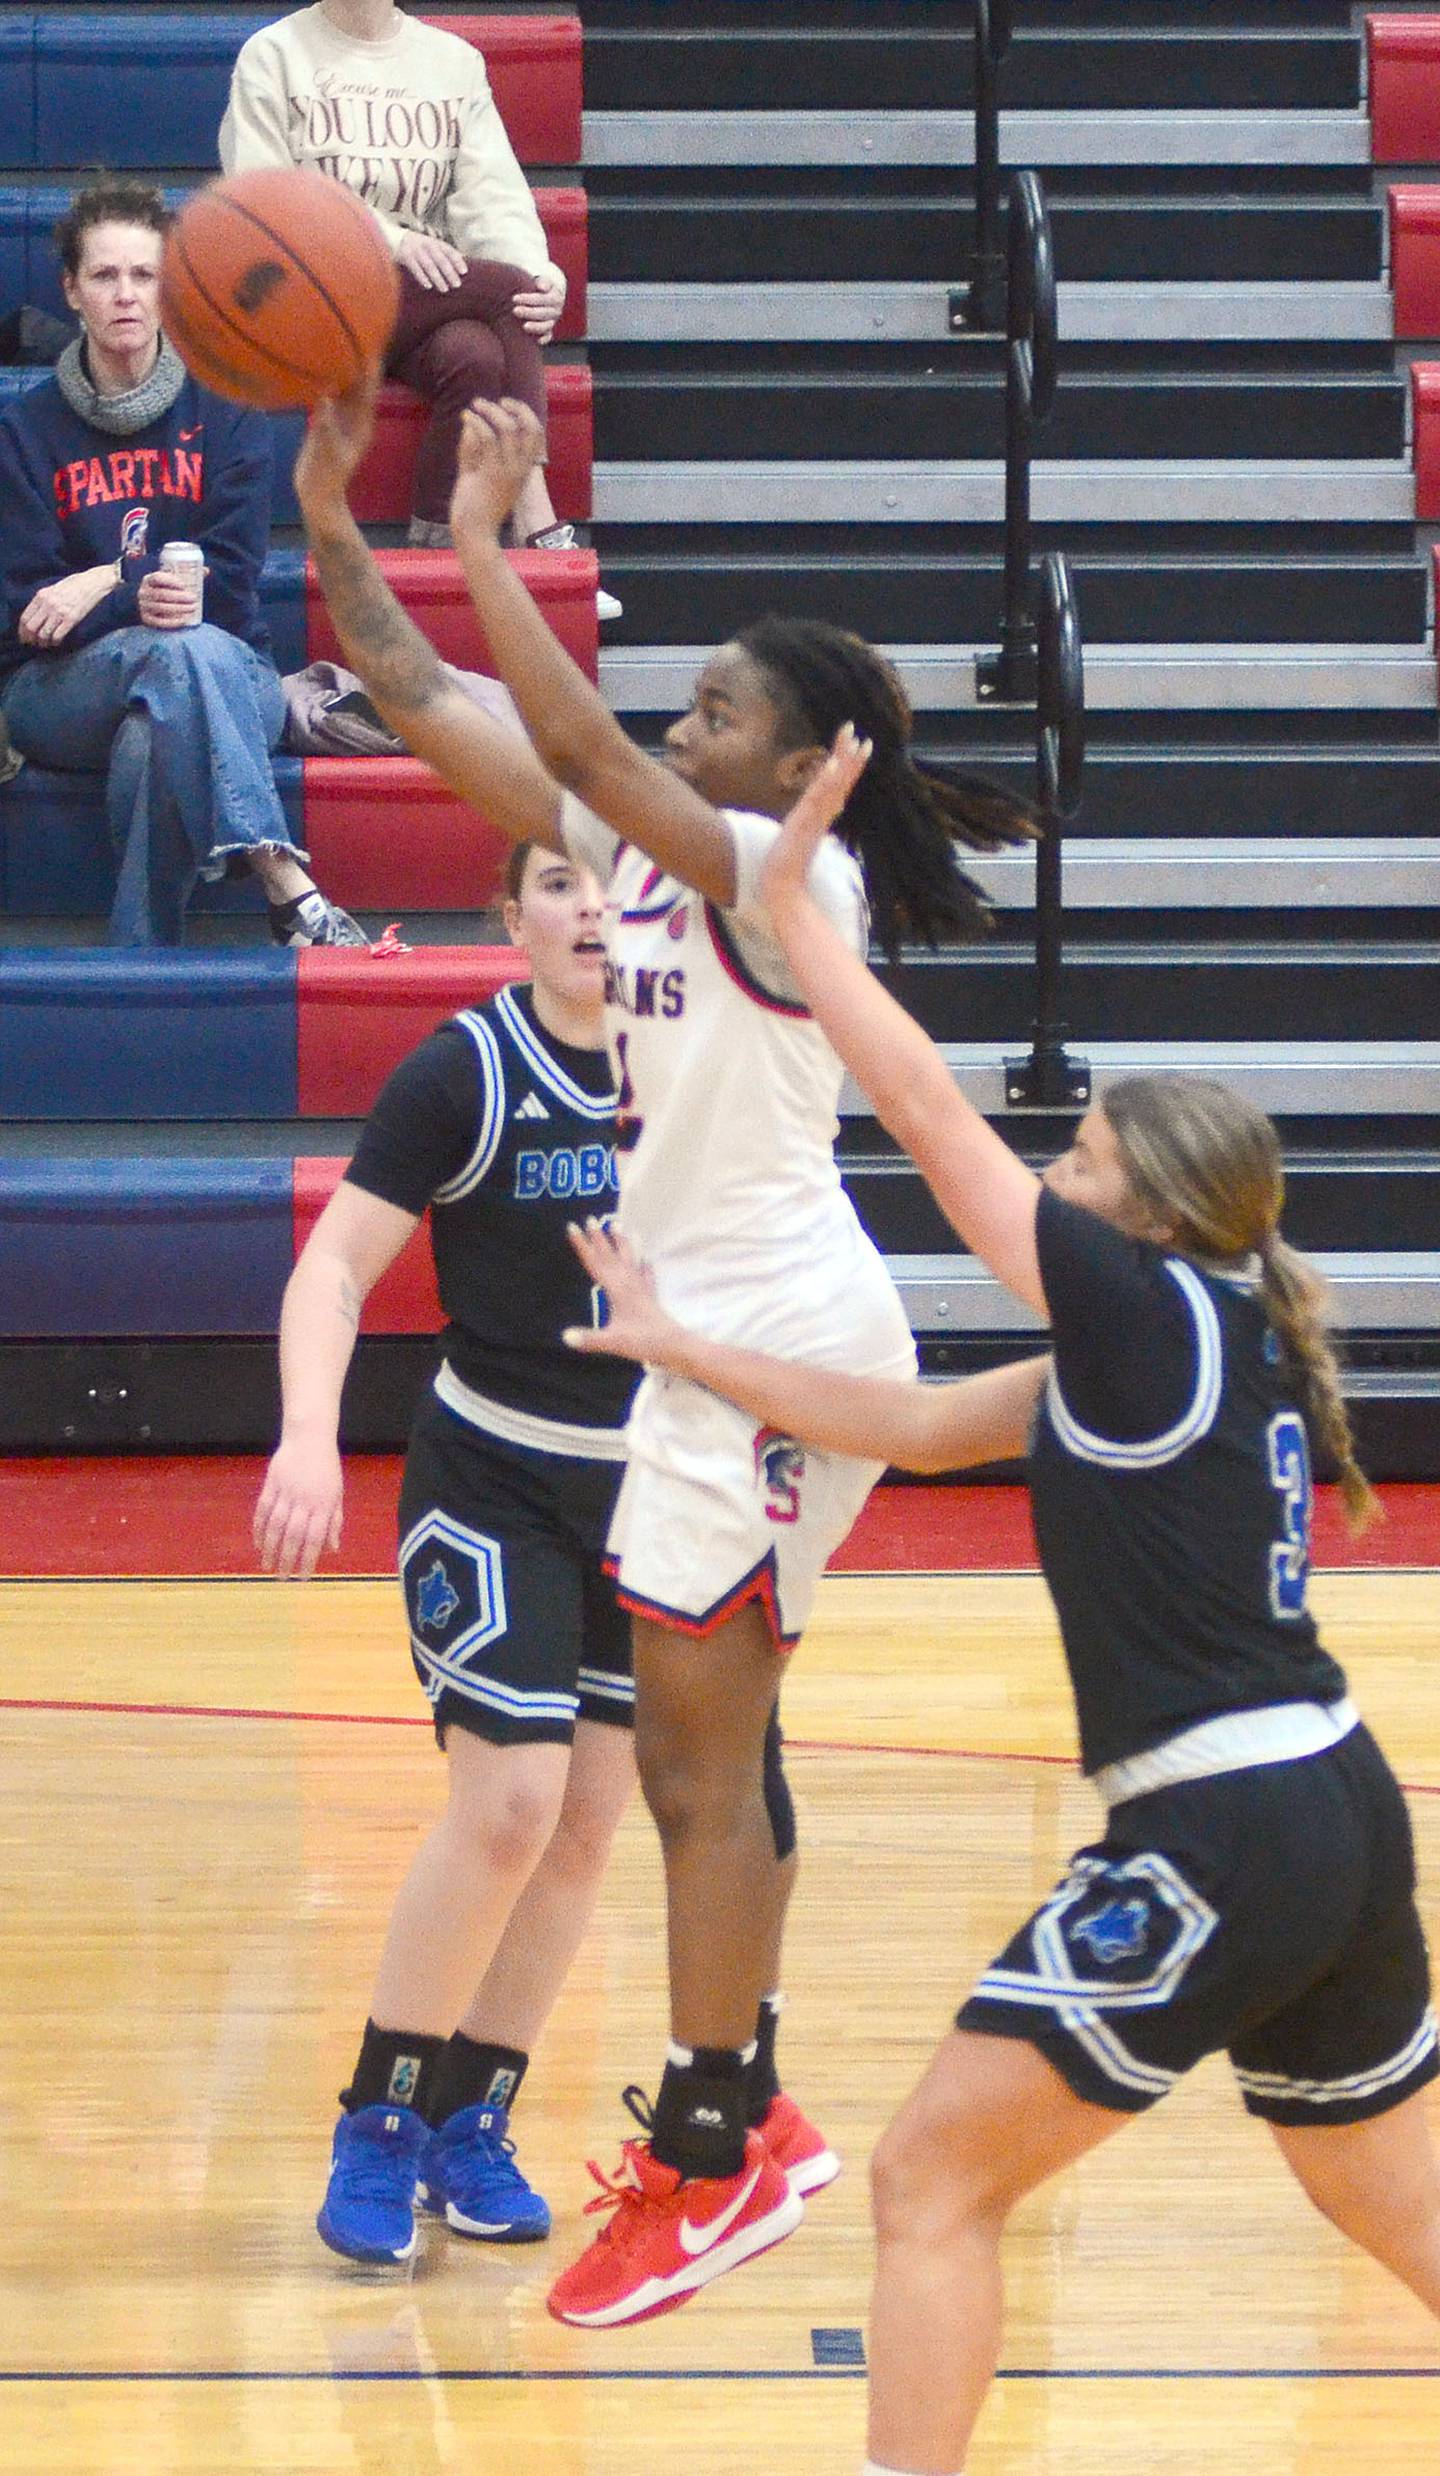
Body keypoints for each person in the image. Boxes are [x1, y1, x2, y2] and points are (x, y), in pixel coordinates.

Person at [558, 749, 1440, 2474]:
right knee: (1384, 2196)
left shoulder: (1142, 1303)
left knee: (925, 2180)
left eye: (1088, 1156)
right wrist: (686, 1351)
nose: (1060, 1164)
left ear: (1156, 1209)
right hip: (1336, 1803)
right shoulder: (1211, 1335)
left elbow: (925, 1116)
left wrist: (799, 917)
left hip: (1223, 1830)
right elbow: (903, 1424)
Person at [287, 378, 1033, 2325]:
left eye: (718, 706)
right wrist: (336, 520)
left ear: (813, 762)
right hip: (708, 1339)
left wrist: (485, 545)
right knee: (709, 1752)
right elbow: (428, 698)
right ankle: (743, 2120)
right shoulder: (645, 852)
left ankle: (719, 2146)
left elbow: (581, 740)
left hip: (777, 1324)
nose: (686, 721)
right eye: (684, 698)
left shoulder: (796, 878)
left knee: (698, 1767)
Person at [254, 839, 639, 2265]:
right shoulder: (464, 1071)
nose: (592, 905)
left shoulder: (712, 1069)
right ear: (511, 913)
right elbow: (335, 1267)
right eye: (557, 881)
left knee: (592, 1824)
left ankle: (477, 2119)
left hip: (655, 1496)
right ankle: (380, 2118)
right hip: (495, 1480)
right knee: (511, 1809)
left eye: (614, 879)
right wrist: (307, 1434)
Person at [0, 179, 362, 949]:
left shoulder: (229, 414)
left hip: (230, 672)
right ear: (71, 290)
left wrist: (103, 581)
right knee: (173, 659)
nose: (125, 295)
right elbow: (28, 617)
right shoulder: (24, 432)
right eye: (104, 276)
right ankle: (280, 873)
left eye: (145, 275)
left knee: (158, 724)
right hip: (61, 695)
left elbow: (223, 598)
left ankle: (140, 959)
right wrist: (144, 596)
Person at [220, 0, 622, 616]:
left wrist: (536, 276)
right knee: (500, 295)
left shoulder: (452, 62)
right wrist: (393, 241)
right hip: (312, 294)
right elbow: (262, 198)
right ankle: (536, 515)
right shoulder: (273, 55)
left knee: (475, 356)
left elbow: (491, 198)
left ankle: (431, 553)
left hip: (421, 306)